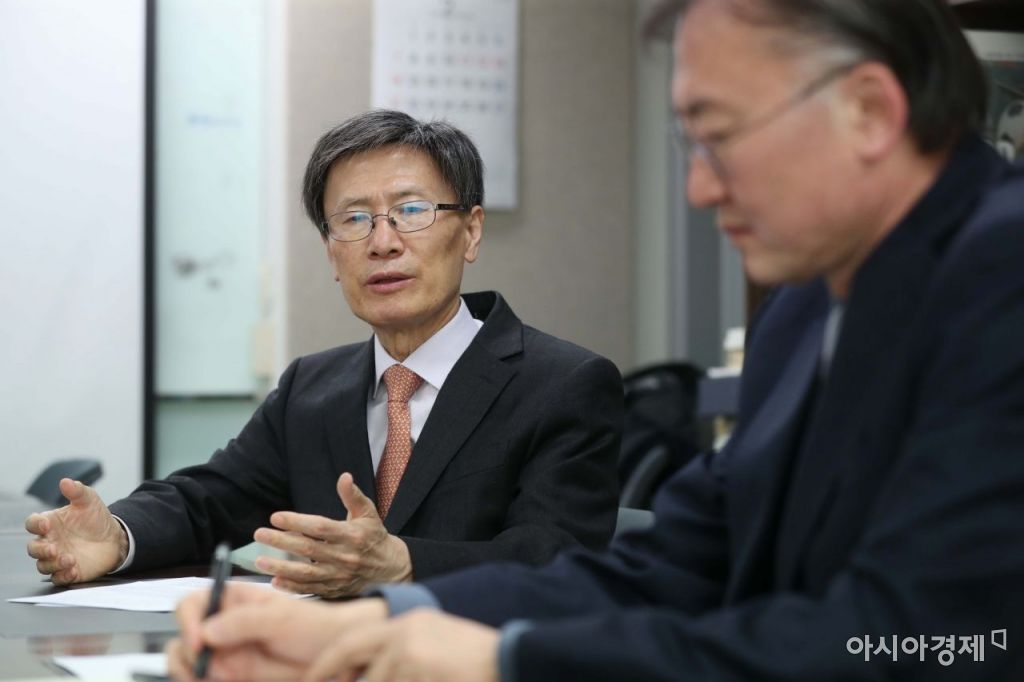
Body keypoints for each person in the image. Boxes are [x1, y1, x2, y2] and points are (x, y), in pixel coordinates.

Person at [166, 0, 1024, 679]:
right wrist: (383, 628)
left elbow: (937, 643)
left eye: (722, 137)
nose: (697, 187)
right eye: (691, 144)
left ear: (869, 111)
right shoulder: (803, 312)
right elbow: (674, 566)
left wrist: (505, 659)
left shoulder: (1002, 279)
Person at [24, 110, 622, 599]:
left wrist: (403, 564)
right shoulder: (311, 387)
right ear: (332, 253)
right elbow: (208, 501)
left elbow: (559, 560)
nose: (383, 242)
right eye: (354, 219)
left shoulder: (564, 384)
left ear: (470, 231)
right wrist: (117, 534)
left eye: (411, 211)